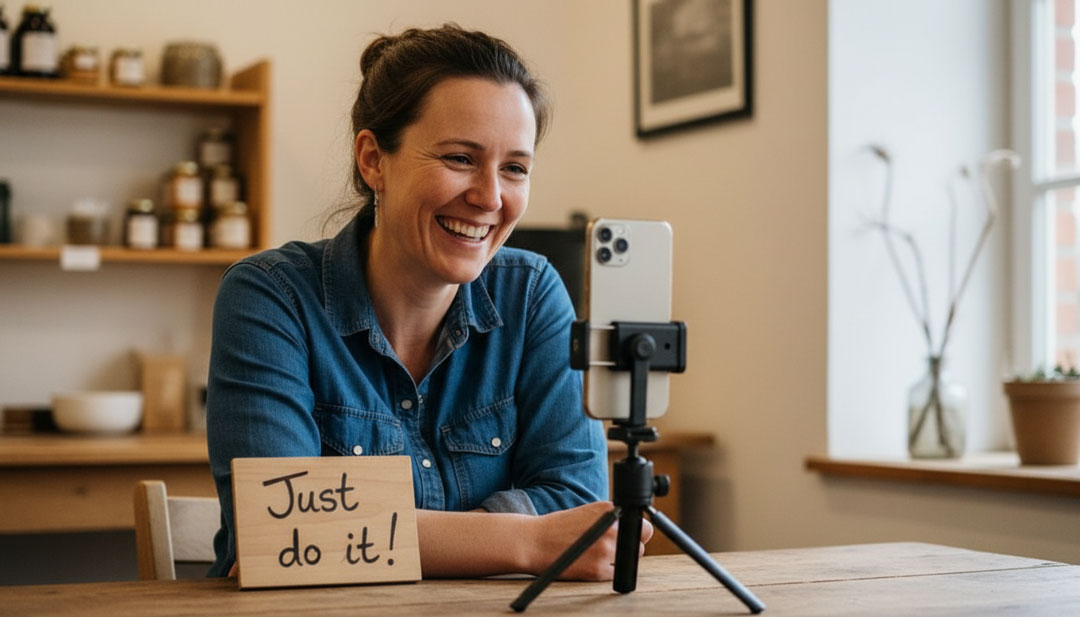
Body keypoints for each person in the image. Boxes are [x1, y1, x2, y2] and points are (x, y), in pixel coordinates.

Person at [206, 24, 652, 581]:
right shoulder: (270, 296)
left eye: (514, 167)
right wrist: (529, 540)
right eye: (460, 158)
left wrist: (374, 534)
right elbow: (277, 533)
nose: (490, 197)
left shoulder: (532, 293)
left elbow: (581, 510)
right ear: (373, 161)